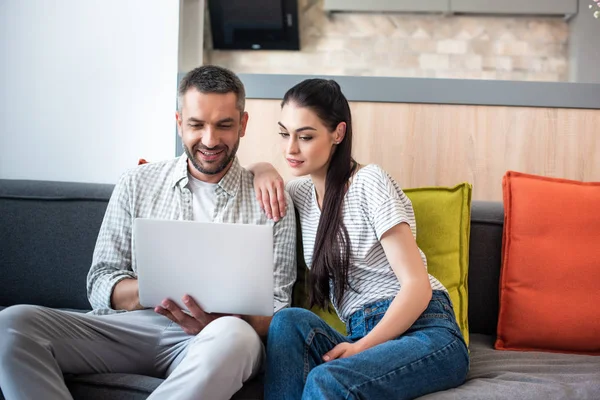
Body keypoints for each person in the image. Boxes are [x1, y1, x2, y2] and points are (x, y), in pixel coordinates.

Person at [0, 65, 297, 400]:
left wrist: (226, 315)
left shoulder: (271, 199)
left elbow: (277, 311)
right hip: (138, 326)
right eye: (197, 125)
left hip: (219, 339)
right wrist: (156, 289)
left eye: (224, 125)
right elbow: (99, 282)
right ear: (179, 123)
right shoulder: (136, 182)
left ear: (242, 125)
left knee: (236, 336)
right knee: (12, 324)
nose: (210, 140)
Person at [251, 78, 469, 400]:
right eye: (285, 134)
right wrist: (261, 168)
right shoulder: (300, 193)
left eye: (306, 136)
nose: (290, 149)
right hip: (360, 330)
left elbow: (416, 287)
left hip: (425, 331)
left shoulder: (369, 181)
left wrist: (361, 348)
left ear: (338, 133)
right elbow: (253, 180)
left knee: (329, 380)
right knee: (287, 321)